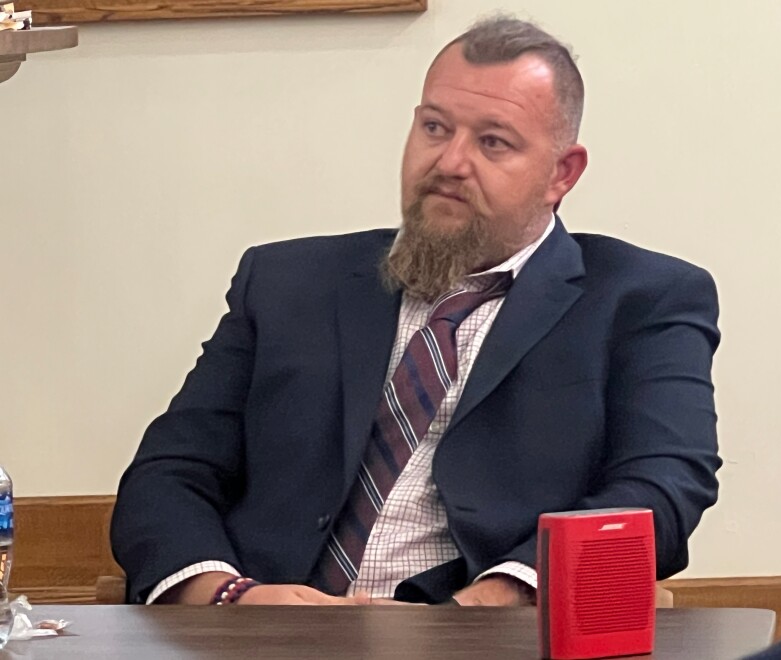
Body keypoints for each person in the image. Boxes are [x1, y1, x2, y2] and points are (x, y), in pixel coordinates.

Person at [111, 16, 722, 607]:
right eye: (435, 128)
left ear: (561, 173)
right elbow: (168, 474)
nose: (450, 163)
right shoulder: (286, 283)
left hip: (474, 637)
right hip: (271, 633)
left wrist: (489, 604)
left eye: (492, 142)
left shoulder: (640, 300)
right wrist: (231, 597)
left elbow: (660, 494)